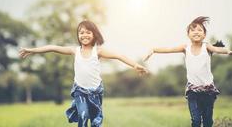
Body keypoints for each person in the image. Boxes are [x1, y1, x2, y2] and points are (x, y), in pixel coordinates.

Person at [19, 20, 148, 127]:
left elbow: (119, 56)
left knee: (96, 120)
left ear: (94, 35)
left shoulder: (98, 51)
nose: (84, 35)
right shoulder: (74, 51)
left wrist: (135, 65)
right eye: (81, 32)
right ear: (78, 35)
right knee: (83, 114)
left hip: (95, 91)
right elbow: (53, 47)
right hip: (80, 90)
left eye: (88, 32)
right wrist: (33, 50)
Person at [143, 16, 232, 127]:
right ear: (188, 34)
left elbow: (217, 49)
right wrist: (153, 50)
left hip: (208, 90)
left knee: (208, 122)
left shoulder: (206, 46)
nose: (196, 32)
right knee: (196, 121)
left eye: (200, 30)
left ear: (204, 35)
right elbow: (169, 49)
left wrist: (228, 51)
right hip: (192, 91)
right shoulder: (186, 47)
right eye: (193, 30)